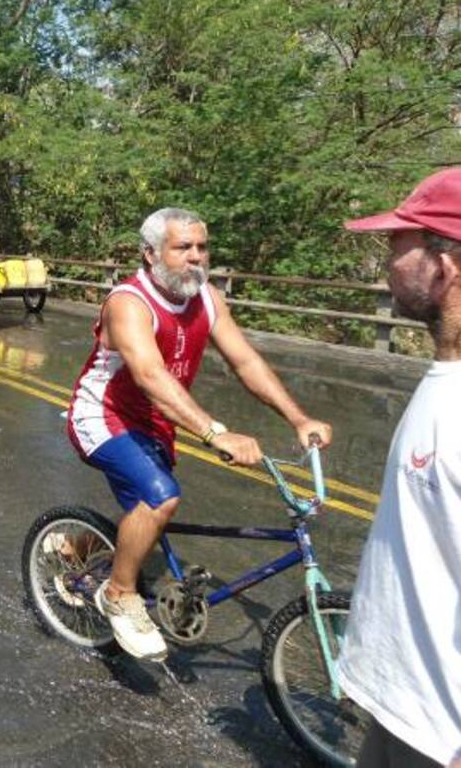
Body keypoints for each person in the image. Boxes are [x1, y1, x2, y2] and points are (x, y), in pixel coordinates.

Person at [64, 206, 332, 661]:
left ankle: (74, 548)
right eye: (182, 247)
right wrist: (214, 433)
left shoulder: (207, 298)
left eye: (202, 248)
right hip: (103, 414)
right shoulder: (129, 303)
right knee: (159, 496)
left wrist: (298, 418)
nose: (196, 257)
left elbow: (245, 361)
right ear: (150, 254)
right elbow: (149, 375)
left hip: (156, 420)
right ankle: (119, 594)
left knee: (147, 509)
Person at [337, 168, 461, 768]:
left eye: (397, 245)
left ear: (444, 266)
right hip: (409, 711)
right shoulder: (445, 377)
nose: (388, 262)